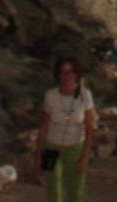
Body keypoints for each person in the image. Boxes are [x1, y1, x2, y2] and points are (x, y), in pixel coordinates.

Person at [35, 57, 96, 202]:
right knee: (52, 190)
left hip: (75, 148)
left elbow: (89, 127)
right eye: (63, 72)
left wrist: (84, 157)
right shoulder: (51, 96)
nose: (67, 76)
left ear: (76, 74)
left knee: (75, 192)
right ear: (58, 75)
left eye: (70, 72)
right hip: (51, 148)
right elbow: (44, 126)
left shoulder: (84, 95)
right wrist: (38, 157)